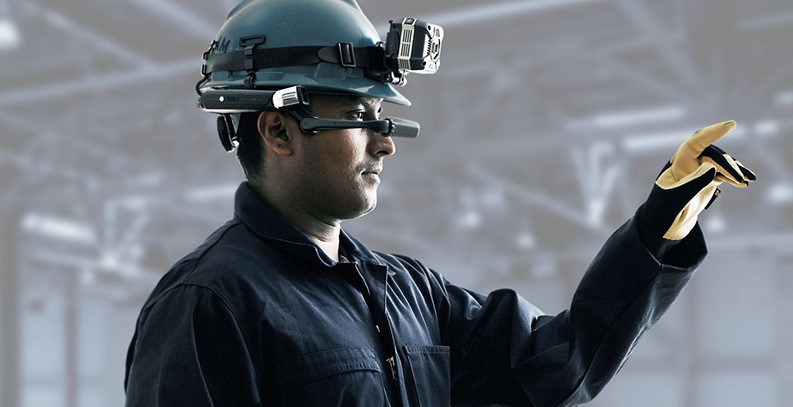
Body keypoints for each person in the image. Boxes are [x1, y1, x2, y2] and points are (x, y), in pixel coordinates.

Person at [123, 0, 756, 406]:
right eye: (359, 117)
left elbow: (558, 365)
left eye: (384, 119)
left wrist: (657, 227)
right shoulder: (207, 309)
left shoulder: (408, 293)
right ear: (279, 130)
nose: (384, 145)